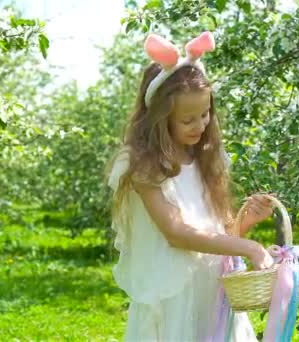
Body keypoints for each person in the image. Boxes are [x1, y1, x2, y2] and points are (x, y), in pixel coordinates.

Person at [106, 31, 274, 341]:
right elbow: (177, 234)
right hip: (174, 298)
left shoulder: (206, 159)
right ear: (160, 118)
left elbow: (217, 236)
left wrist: (243, 224)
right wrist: (249, 247)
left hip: (213, 290)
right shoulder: (144, 166)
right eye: (187, 120)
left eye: (205, 114)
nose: (200, 125)